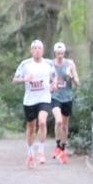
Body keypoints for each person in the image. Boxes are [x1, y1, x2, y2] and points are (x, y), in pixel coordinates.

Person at [12, 39, 57, 169]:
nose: (37, 50)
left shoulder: (49, 64)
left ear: (43, 50)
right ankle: (30, 153)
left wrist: (54, 86)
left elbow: (54, 80)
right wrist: (24, 79)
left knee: (42, 122)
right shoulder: (25, 64)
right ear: (31, 51)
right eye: (35, 48)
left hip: (44, 98)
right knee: (31, 128)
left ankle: (41, 151)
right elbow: (14, 80)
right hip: (30, 100)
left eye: (39, 48)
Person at [50, 42, 80, 164]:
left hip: (67, 97)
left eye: (62, 53)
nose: (60, 56)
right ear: (55, 53)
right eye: (58, 53)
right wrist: (50, 86)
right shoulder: (50, 64)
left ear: (64, 53)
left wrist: (71, 76)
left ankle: (62, 149)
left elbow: (77, 82)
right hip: (55, 97)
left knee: (64, 125)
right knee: (58, 121)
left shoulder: (70, 64)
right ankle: (58, 146)